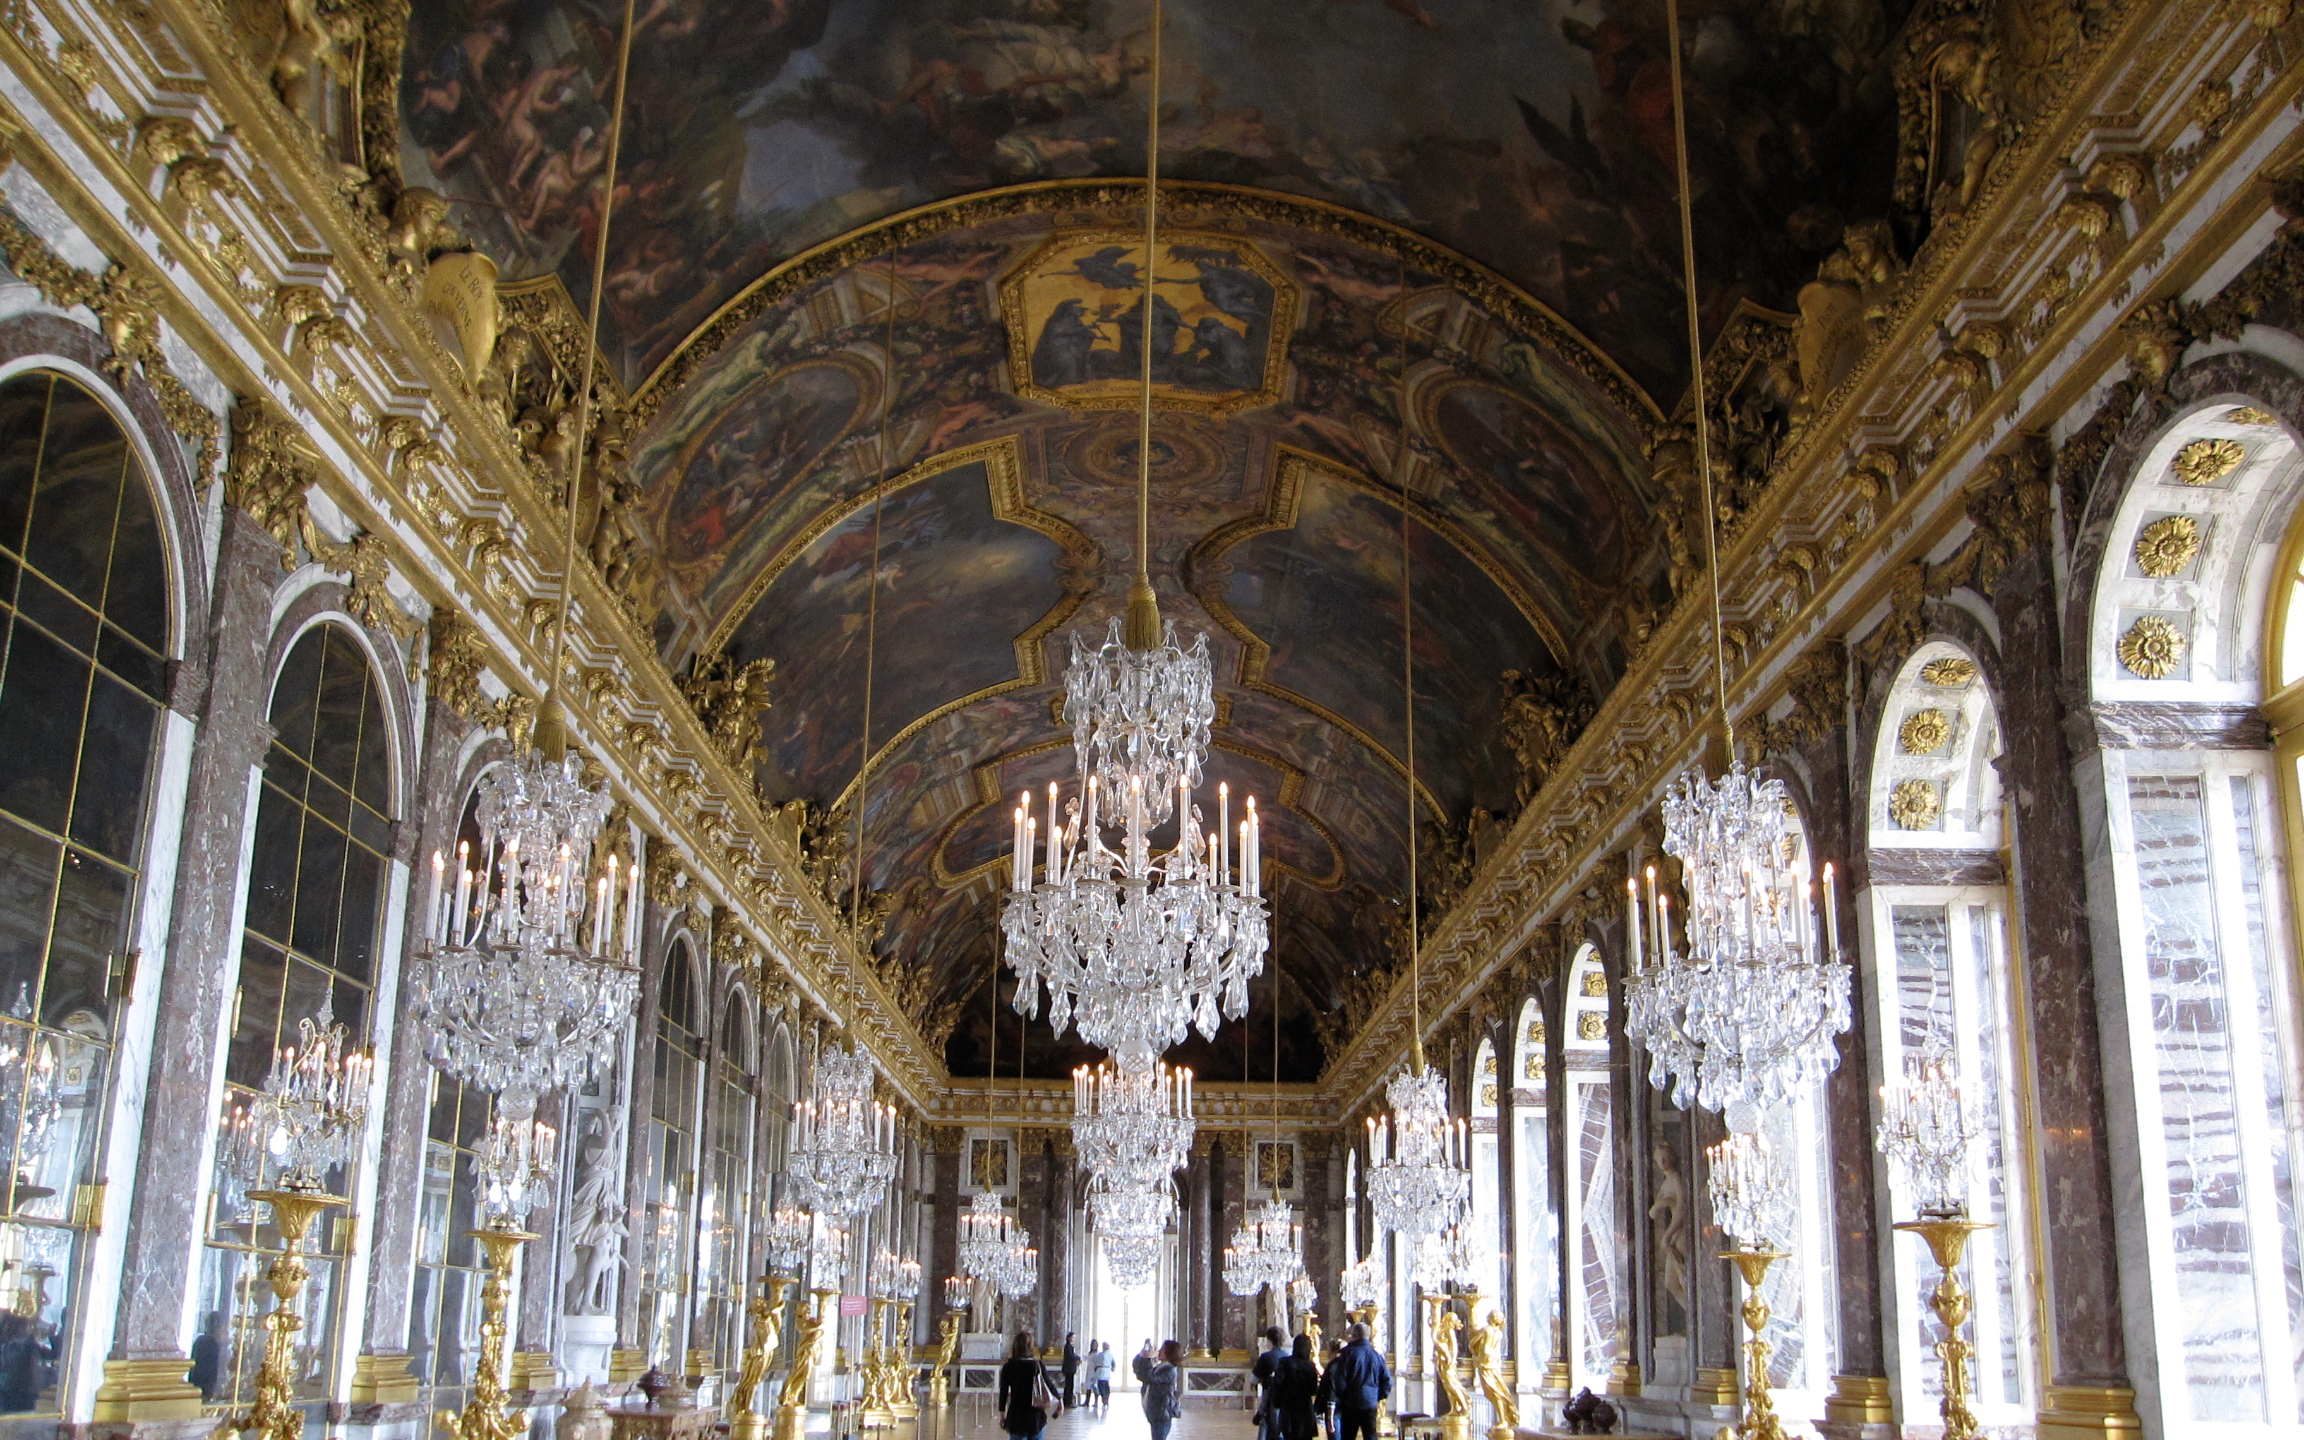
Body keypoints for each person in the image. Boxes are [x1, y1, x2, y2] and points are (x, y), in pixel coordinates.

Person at [1316, 1323, 1391, 1440]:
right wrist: (1377, 1396)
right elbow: (1387, 1382)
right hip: (1370, 1404)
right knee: (1371, 1436)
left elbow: (1339, 1381)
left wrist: (1344, 1397)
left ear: (1354, 1336)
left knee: (1348, 1436)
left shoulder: (1347, 1354)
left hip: (1351, 1404)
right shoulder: (1377, 1356)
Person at [998, 1331, 1052, 1440]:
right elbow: (1049, 1384)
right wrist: (1060, 1400)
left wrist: (1002, 1415)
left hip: (1016, 1417)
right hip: (1036, 1416)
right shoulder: (1037, 1365)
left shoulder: (1008, 1367)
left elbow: (1003, 1393)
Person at [1272, 1335, 1324, 1440]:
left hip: (1289, 1409)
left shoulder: (1284, 1363)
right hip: (1305, 1410)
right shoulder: (1310, 1366)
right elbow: (1313, 1390)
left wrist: (1276, 1402)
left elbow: (1277, 1384)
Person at [0, 1315, 54, 1413]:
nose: (27, 1329)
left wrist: (52, 1337)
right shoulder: (6, 1347)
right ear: (16, 1328)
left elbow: (52, 1355)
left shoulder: (32, 1346)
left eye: (28, 1326)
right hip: (9, 1391)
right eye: (24, 1326)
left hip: (27, 1391)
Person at [1141, 1340, 1186, 1440]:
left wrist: (1148, 1359)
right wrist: (1144, 1358)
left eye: (1162, 1349)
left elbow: (1151, 1379)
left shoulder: (1170, 1370)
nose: (1159, 1351)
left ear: (1169, 1352)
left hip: (1162, 1412)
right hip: (1156, 1411)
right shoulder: (1160, 1366)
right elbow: (1143, 1375)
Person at [1252, 1326, 1288, 1440]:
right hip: (1285, 1400)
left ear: (1269, 1340)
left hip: (1270, 1398)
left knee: (1266, 1424)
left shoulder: (1265, 1357)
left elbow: (1254, 1379)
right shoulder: (1287, 1357)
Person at [186, 1310, 226, 1402]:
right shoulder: (212, 1343)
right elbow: (211, 1370)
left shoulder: (199, 1340)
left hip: (195, 1388)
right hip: (204, 1390)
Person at [1086, 1340, 1114, 1408]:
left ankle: (1103, 1402)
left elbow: (1094, 1360)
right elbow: (1113, 1364)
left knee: (1101, 1389)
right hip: (1105, 1374)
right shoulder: (1109, 1355)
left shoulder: (1100, 1354)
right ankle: (1105, 1402)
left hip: (1100, 1374)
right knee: (1105, 1388)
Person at [1062, 1332, 1080, 1407]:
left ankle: (1068, 1401)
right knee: (1069, 1386)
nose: (1073, 1339)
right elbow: (1070, 1356)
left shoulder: (1069, 1346)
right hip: (1069, 1369)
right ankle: (1068, 1402)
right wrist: (1077, 1358)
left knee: (1069, 1385)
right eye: (1072, 1337)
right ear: (1069, 1338)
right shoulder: (1068, 1347)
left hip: (1070, 1369)